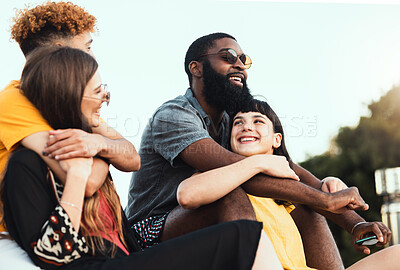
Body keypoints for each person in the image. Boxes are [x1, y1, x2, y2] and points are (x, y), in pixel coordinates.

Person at [1, 45, 283, 270]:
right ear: (69, 95)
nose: (105, 100)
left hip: (125, 260)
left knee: (246, 238)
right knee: (243, 238)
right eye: (98, 92)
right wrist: (75, 177)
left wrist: (98, 148)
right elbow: (52, 257)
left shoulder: (94, 150)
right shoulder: (24, 166)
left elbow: (129, 158)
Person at [126, 32, 388, 269]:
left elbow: (287, 168)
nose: (239, 64)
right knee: (230, 192)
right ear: (196, 67)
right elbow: (234, 170)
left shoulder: (232, 120)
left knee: (301, 202)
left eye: (243, 59)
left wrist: (354, 223)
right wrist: (323, 200)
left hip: (197, 221)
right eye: (228, 56)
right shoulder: (173, 115)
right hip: (150, 233)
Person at [177, 98, 398, 270]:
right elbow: (187, 194)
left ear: (277, 140)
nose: (246, 127)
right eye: (238, 123)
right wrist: (257, 163)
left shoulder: (289, 191)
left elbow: (314, 190)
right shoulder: (222, 177)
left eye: (258, 121)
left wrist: (330, 185)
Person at [0, 2, 137, 267]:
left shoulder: (68, 100)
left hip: (73, 232)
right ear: (60, 52)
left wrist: (97, 143)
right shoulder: (13, 101)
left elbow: (131, 157)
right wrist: (104, 150)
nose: (93, 57)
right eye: (87, 47)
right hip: (23, 239)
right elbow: (82, 180)